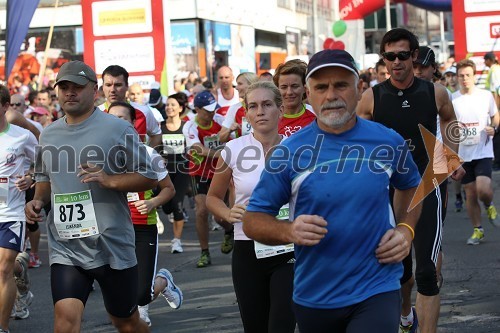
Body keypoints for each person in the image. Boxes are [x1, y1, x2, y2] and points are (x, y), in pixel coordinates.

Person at [242, 49, 422, 333]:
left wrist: (405, 230)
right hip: (315, 295)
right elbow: (253, 220)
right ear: (308, 95)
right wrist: (288, 231)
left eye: (341, 85)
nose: (331, 95)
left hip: (377, 285)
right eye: (321, 87)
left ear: (359, 88)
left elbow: (411, 185)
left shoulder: (387, 142)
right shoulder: (289, 151)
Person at [25, 60, 158, 333]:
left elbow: (150, 177)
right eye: (64, 87)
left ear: (94, 91)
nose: (70, 93)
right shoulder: (48, 134)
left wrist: (110, 180)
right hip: (67, 247)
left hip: (111, 245)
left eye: (77, 87)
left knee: (126, 322)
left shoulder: (117, 129)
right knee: (64, 322)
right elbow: (44, 179)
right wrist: (38, 200)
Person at [357, 28, 463, 333]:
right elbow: (358, 139)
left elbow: (450, 121)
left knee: (428, 272)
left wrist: (450, 158)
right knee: (400, 270)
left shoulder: (434, 92)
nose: (396, 62)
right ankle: (406, 316)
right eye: (390, 56)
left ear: (414, 56)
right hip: (389, 190)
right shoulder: (371, 98)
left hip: (429, 183)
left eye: (402, 55)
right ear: (384, 60)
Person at [207, 81, 295, 332]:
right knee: (255, 326)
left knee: (282, 324)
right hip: (247, 247)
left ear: (281, 109)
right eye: (253, 106)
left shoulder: (298, 149)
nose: (260, 112)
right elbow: (213, 197)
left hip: (288, 246)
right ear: (245, 113)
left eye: (267, 105)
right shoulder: (233, 150)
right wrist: (227, 212)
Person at [107, 101, 182, 326]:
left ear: (132, 123)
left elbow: (169, 189)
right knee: (119, 291)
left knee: (141, 294)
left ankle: (163, 281)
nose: (116, 122)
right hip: (112, 229)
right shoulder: (99, 154)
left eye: (122, 118)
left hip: (142, 227)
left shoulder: (148, 153)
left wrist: (153, 202)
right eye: (112, 118)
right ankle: (136, 320)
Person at [0, 84, 37, 332]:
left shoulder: (22, 136)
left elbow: (43, 163)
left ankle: (2, 327)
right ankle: (20, 269)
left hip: (11, 212)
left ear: (4, 107)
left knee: (2, 268)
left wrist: (31, 177)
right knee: (5, 267)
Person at [182, 90, 234, 268]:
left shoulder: (220, 120)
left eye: (214, 109)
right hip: (199, 173)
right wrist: (221, 154)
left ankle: (229, 230)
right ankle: (204, 252)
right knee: (201, 211)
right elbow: (199, 150)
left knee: (220, 216)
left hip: (221, 172)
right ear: (196, 109)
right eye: (207, 110)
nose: (212, 112)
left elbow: (233, 141)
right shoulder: (189, 126)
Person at [452, 59, 500, 245]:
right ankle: (477, 230)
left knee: (483, 190)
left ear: (474, 76)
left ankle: (489, 204)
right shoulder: (452, 98)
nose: (465, 79)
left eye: (468, 75)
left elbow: (495, 116)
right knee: (470, 193)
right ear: (457, 77)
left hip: (483, 151)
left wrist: (494, 128)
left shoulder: (485, 96)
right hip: (463, 153)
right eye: (461, 76)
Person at [158, 93, 191, 253]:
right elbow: (155, 147)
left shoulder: (186, 126)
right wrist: (159, 157)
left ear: (180, 108)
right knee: (167, 208)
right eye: (167, 105)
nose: (169, 108)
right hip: (165, 172)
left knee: (178, 204)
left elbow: (193, 145)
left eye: (173, 105)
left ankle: (176, 241)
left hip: (182, 170)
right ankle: (168, 211)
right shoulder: (160, 126)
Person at [98, 65, 162, 147]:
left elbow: (156, 134)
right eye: (108, 85)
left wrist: (146, 156)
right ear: (103, 87)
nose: (112, 90)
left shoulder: (143, 111)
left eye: (118, 85)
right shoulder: (95, 114)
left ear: (127, 86)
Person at [273, 59, 316, 137]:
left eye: (295, 86)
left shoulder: (316, 115)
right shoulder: (270, 116)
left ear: (304, 88)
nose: (289, 92)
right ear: (277, 89)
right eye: (284, 87)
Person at [219, 72, 259, 141]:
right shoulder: (234, 109)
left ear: (251, 85)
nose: (236, 88)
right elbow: (221, 138)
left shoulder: (265, 106)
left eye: (240, 84)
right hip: (243, 150)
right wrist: (229, 130)